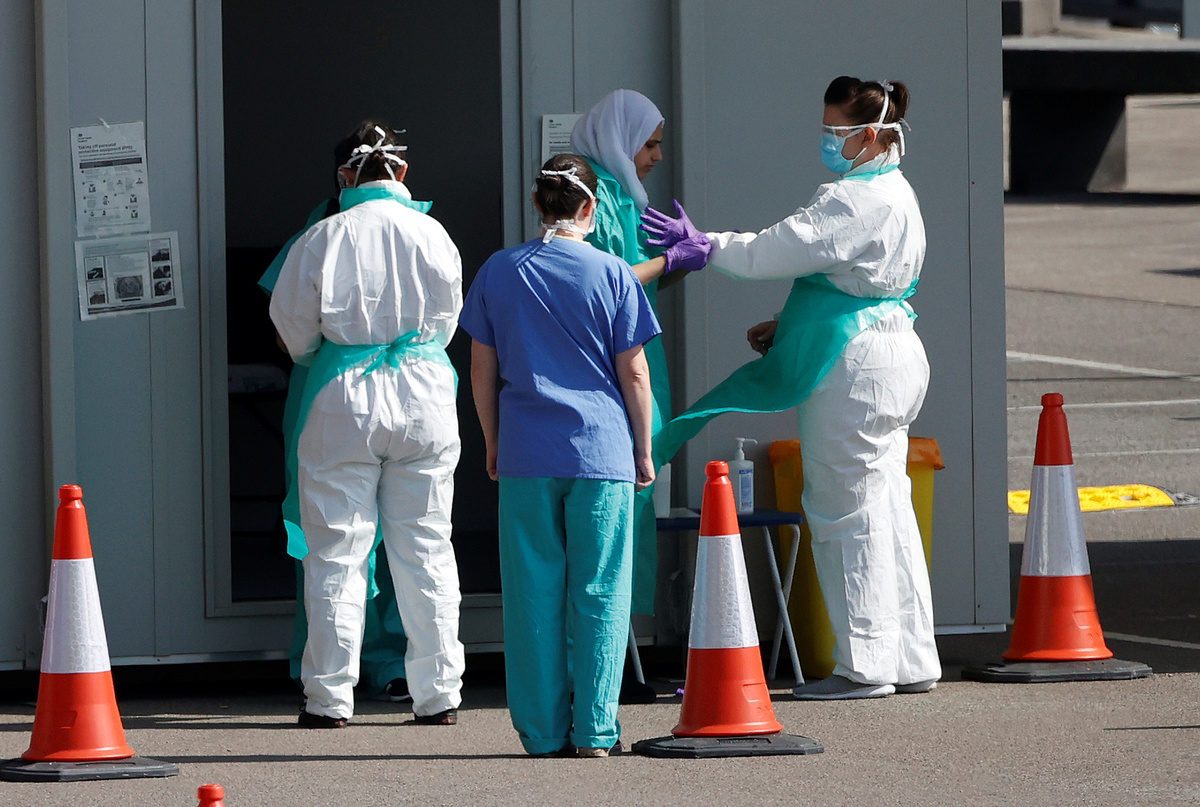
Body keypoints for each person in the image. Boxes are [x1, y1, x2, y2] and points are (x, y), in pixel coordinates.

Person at [644, 77, 940, 700]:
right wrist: (788, 324)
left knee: (843, 510)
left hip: (856, 367)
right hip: (893, 352)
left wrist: (709, 247)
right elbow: (855, 281)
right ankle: (910, 658)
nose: (827, 141)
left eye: (836, 132)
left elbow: (782, 249)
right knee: (887, 506)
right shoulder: (897, 191)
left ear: (869, 134)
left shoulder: (853, 199)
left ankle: (863, 665)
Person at [461, 154, 660, 756]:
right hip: (601, 451)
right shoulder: (614, 273)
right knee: (601, 593)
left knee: (532, 594)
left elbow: (481, 370)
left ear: (536, 203)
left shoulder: (499, 271)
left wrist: (494, 440)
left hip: (526, 451)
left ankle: (543, 733)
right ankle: (596, 729)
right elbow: (635, 373)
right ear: (590, 207)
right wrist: (643, 448)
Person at [270, 122, 466, 727]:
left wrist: (338, 349)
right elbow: (445, 324)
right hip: (424, 395)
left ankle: (329, 698)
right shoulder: (434, 234)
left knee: (337, 552)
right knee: (427, 547)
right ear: (402, 171)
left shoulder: (322, 236)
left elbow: (293, 331)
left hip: (343, 399)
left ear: (344, 177)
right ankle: (440, 694)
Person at [257, 125, 411, 707]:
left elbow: (289, 333)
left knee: (353, 540)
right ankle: (347, 665)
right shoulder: (328, 226)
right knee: (351, 537)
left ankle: (360, 668)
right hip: (367, 390)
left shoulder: (367, 227)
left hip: (336, 387)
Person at [568, 91, 709, 697]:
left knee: (627, 514)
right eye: (648, 144)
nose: (656, 157)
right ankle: (605, 666)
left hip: (633, 363)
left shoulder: (621, 195)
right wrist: (671, 259)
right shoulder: (599, 197)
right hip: (616, 370)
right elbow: (612, 281)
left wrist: (674, 263)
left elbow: (634, 283)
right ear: (619, 140)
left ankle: (614, 659)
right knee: (612, 519)